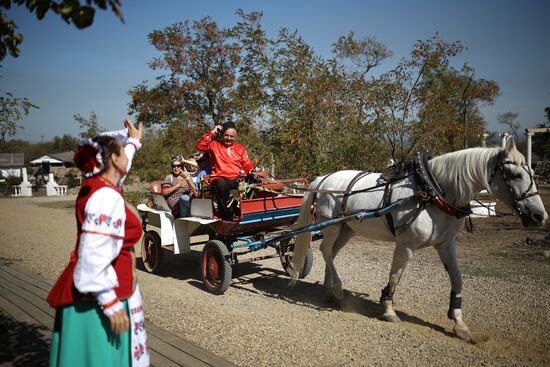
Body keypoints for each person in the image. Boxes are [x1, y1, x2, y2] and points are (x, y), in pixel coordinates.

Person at [47, 118, 150, 367]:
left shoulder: (97, 184)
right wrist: (110, 303)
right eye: (122, 151)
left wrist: (134, 142)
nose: (127, 156)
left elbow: (121, 161)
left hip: (100, 288)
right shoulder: (105, 196)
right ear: (113, 159)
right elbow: (94, 253)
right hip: (99, 295)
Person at [195, 120, 255, 220]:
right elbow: (200, 146)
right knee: (221, 185)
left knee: (254, 182)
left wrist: (252, 172)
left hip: (236, 179)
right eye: (226, 135)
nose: (229, 138)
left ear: (235, 137)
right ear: (222, 135)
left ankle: (249, 212)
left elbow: (247, 164)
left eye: (232, 136)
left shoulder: (240, 148)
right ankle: (228, 215)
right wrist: (213, 131)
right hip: (219, 178)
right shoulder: (214, 145)